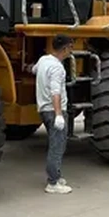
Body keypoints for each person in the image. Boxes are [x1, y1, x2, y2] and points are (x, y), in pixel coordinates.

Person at [32, 34, 75, 194]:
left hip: (43, 109)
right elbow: (55, 92)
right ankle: (53, 182)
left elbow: (34, 70)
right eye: (70, 47)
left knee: (55, 144)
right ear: (64, 48)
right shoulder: (57, 68)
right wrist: (58, 115)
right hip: (54, 110)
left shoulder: (44, 60)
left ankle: (56, 175)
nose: (71, 50)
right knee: (57, 147)